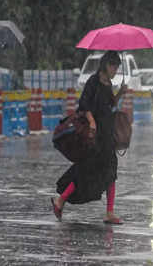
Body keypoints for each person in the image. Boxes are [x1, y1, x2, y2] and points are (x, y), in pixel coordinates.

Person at [51, 50, 127, 224]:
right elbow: (84, 105)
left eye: (117, 67)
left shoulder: (108, 83)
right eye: (114, 66)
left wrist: (120, 93)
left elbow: (110, 104)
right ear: (106, 65)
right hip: (95, 136)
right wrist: (92, 121)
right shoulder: (93, 81)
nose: (115, 70)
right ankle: (60, 200)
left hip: (107, 135)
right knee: (85, 171)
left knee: (110, 171)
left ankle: (109, 212)